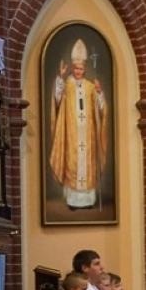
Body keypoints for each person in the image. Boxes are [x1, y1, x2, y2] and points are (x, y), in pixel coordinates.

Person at [48, 38, 111, 210]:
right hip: (72, 133)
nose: (78, 71)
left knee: (87, 164)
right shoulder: (67, 84)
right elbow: (57, 99)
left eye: (81, 68)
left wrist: (99, 92)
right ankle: (73, 201)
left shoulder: (91, 86)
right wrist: (60, 77)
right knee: (73, 161)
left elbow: (101, 109)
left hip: (88, 134)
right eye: (75, 68)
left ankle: (88, 200)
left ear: (85, 69)